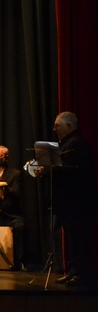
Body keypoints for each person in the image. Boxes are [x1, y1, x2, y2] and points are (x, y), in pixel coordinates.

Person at [50, 112, 93, 286]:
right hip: (69, 202)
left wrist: (49, 169)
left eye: (57, 126)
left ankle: (81, 274)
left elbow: (71, 171)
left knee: (79, 239)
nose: (54, 129)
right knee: (71, 239)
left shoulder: (76, 144)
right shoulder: (67, 144)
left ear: (69, 126)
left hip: (78, 202)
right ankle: (73, 270)